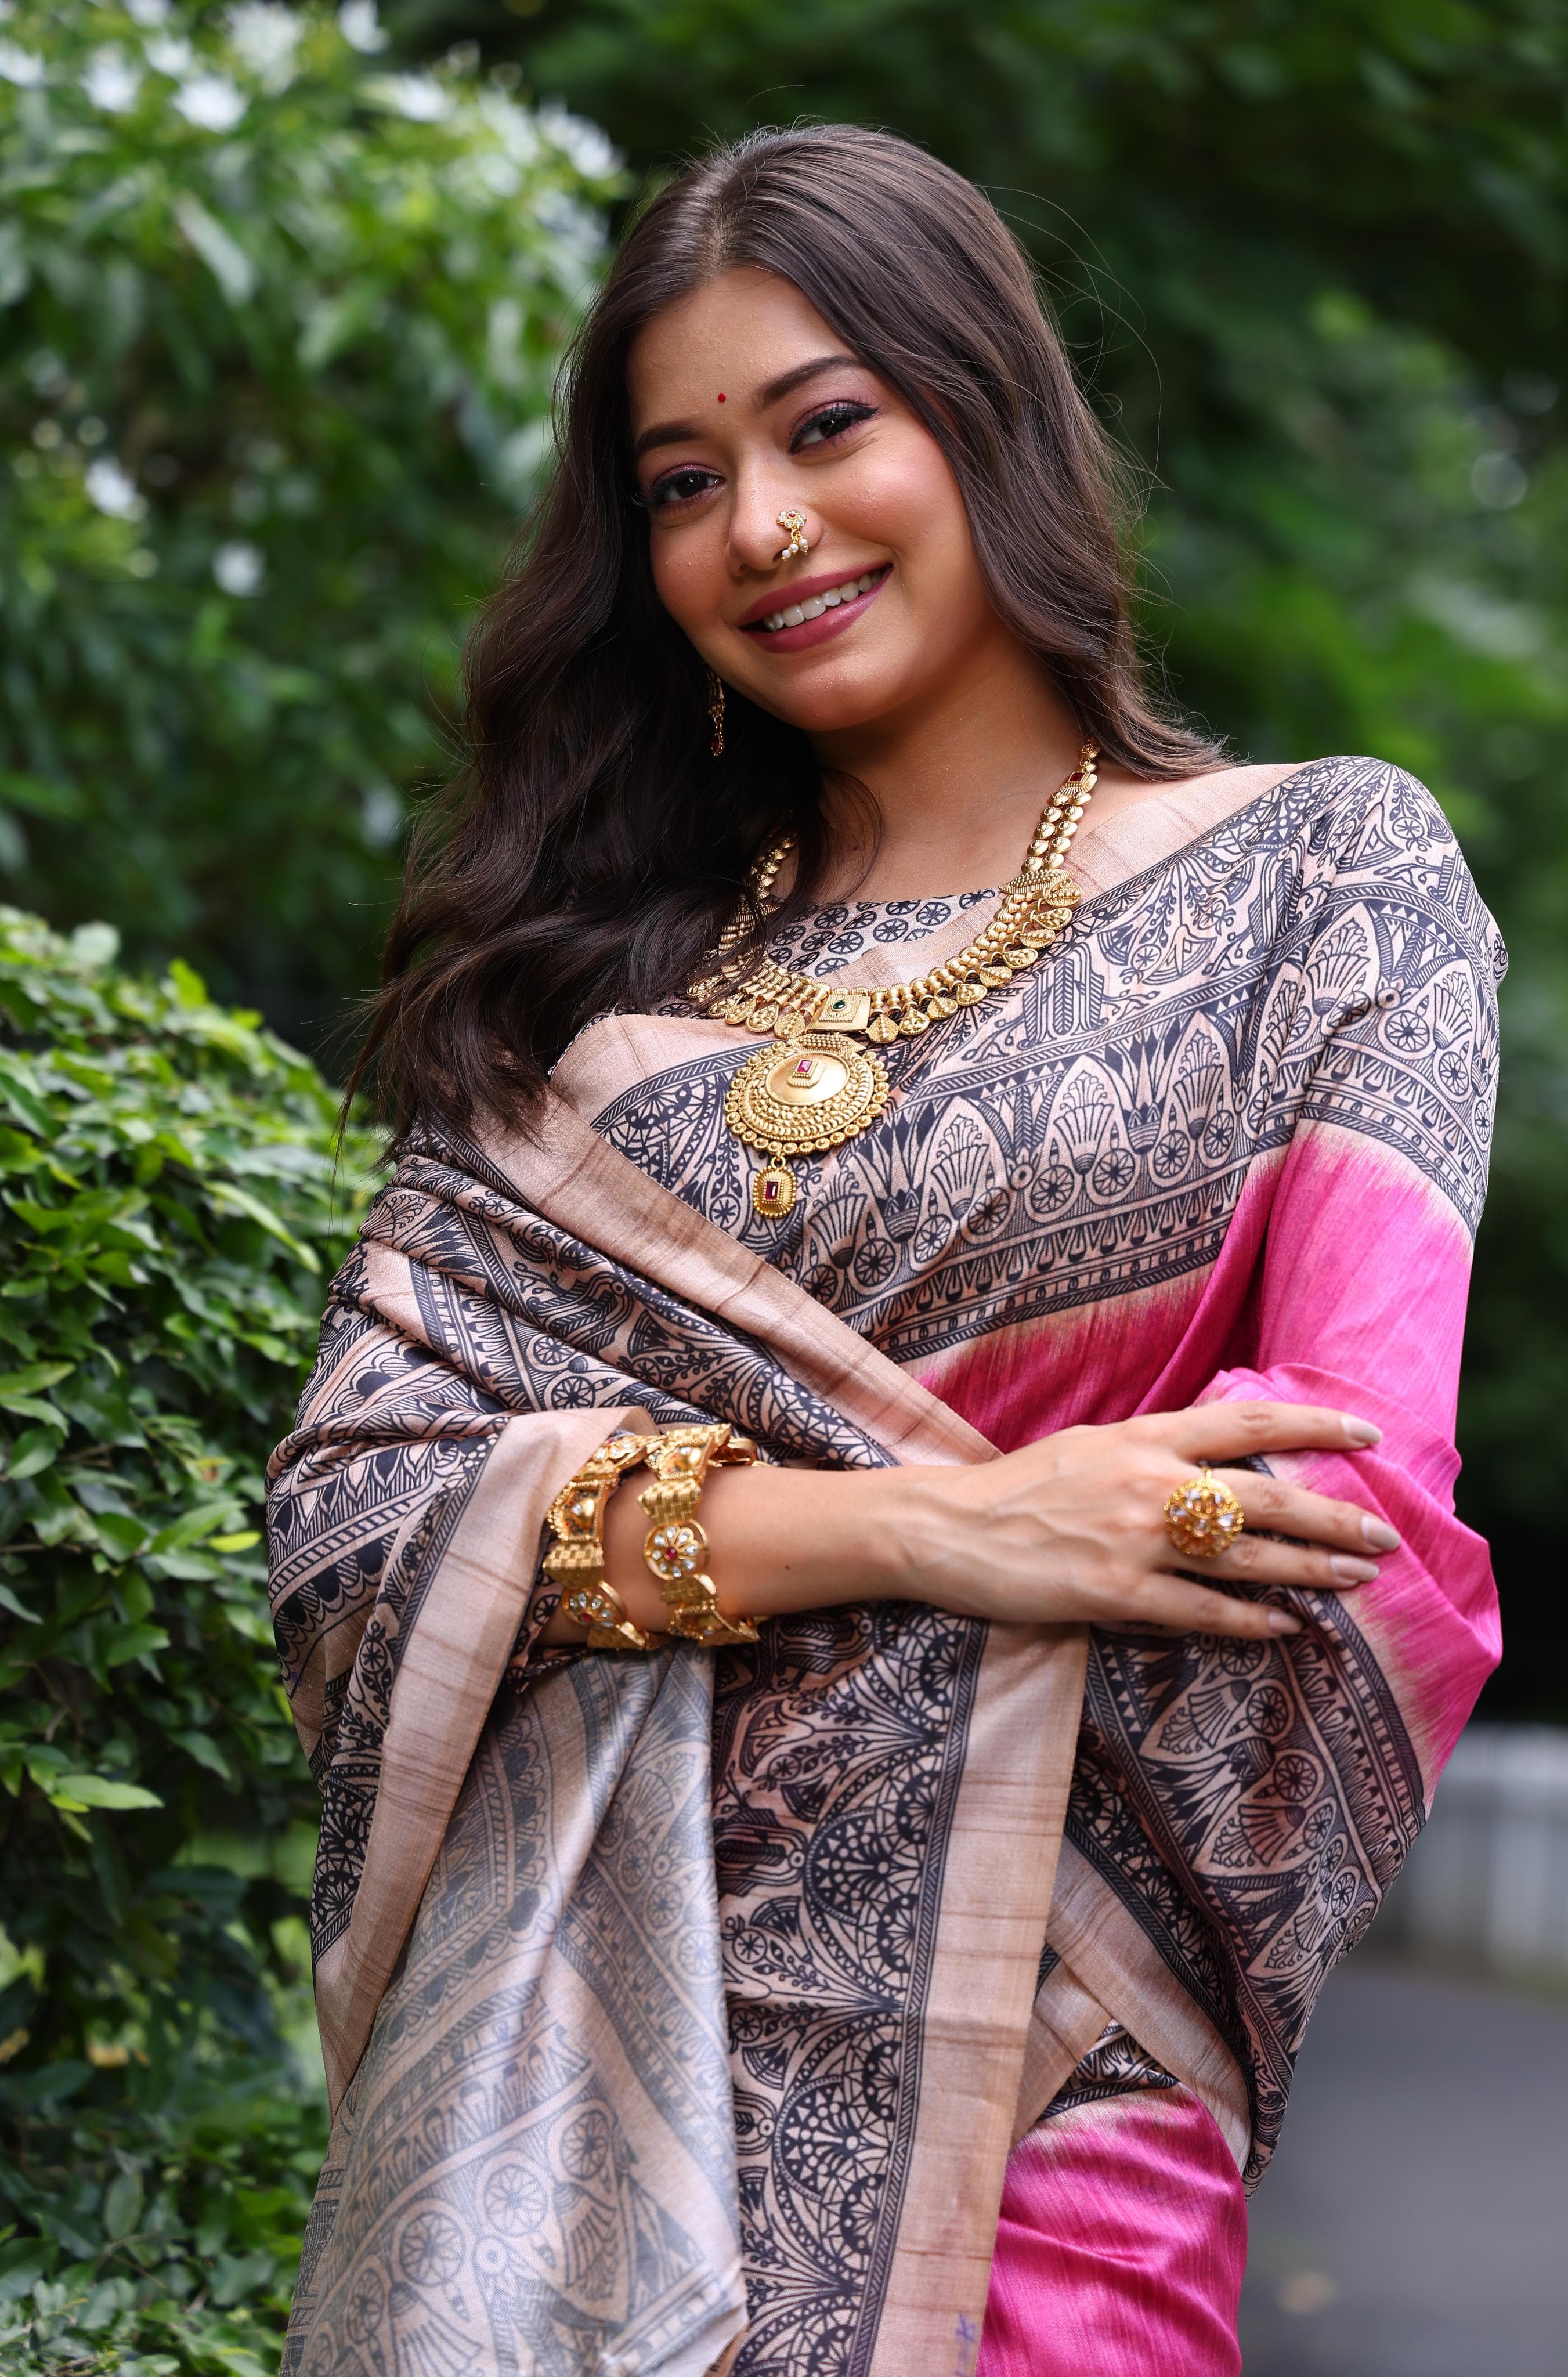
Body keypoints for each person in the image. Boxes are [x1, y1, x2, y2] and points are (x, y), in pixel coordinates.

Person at [268, 124, 1502, 2377]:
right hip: (565, 2130)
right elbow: (360, 1520)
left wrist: (733, 1570)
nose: (760, 526)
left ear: (985, 412)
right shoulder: (578, 1022)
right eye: (679, 481)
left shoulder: (1319, 883)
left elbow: (1342, 1516)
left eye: (824, 425)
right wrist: (954, 1528)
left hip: (1046, 2102)